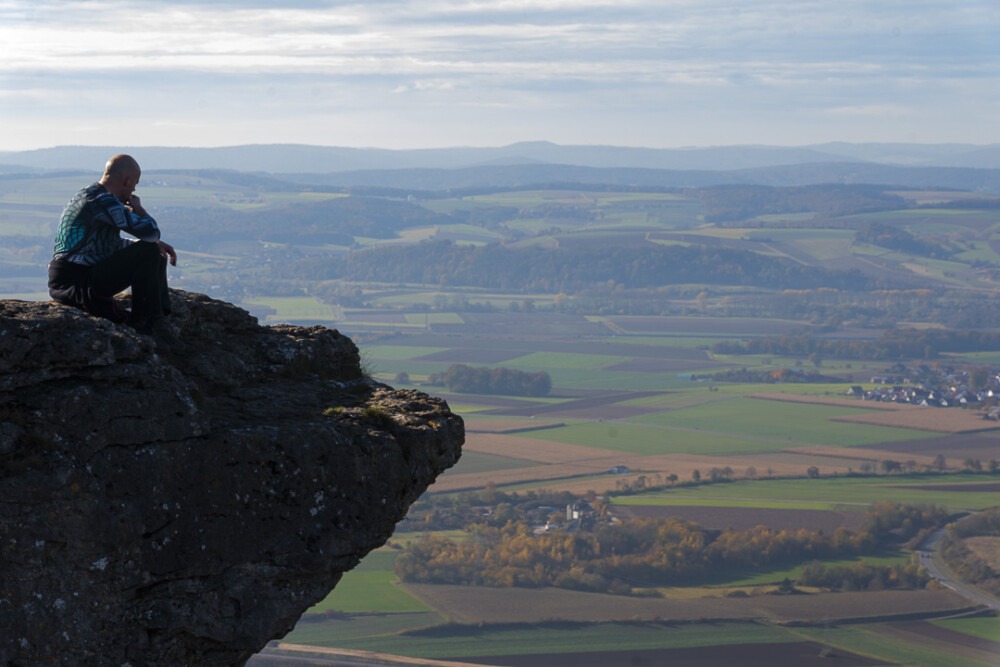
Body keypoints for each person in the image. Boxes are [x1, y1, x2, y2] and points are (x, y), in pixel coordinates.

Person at [48, 154, 177, 334]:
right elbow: (150, 232)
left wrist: (154, 244)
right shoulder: (102, 201)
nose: (133, 189)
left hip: (74, 276)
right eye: (135, 183)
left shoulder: (91, 194)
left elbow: (110, 244)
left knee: (154, 250)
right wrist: (139, 210)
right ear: (127, 181)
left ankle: (158, 314)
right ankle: (146, 320)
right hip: (76, 281)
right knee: (149, 249)